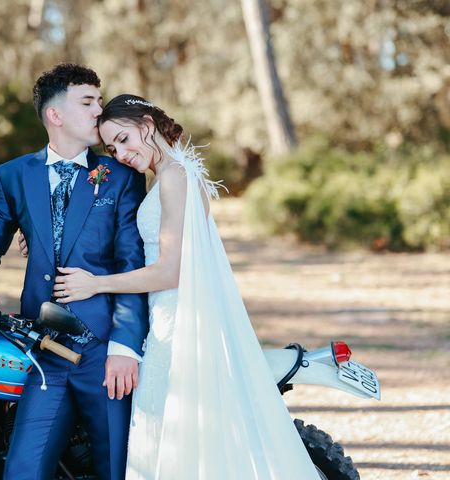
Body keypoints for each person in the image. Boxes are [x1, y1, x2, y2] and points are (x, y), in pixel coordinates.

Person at [21, 94, 322, 479]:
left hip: (176, 323)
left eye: (125, 140)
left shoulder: (174, 177)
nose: (122, 154)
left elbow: (169, 272)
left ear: (147, 125)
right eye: (112, 148)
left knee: (172, 439)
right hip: (168, 317)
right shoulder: (173, 174)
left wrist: (95, 284)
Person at [0, 65, 149, 480]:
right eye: (88, 102)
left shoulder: (121, 177)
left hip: (103, 352)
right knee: (20, 471)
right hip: (44, 350)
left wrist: (125, 348)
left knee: (117, 471)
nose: (98, 112)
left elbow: (130, 265)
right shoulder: (14, 175)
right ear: (55, 115)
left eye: (99, 102)